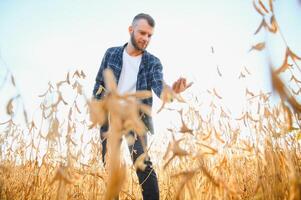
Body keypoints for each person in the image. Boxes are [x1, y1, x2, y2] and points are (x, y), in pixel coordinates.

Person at [92, 13, 191, 200]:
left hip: (135, 120)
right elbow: (99, 83)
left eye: (149, 35)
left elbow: (159, 87)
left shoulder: (153, 62)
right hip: (110, 117)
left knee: (142, 164)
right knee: (110, 167)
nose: (145, 38)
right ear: (131, 30)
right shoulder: (111, 53)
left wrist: (173, 92)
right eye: (142, 33)